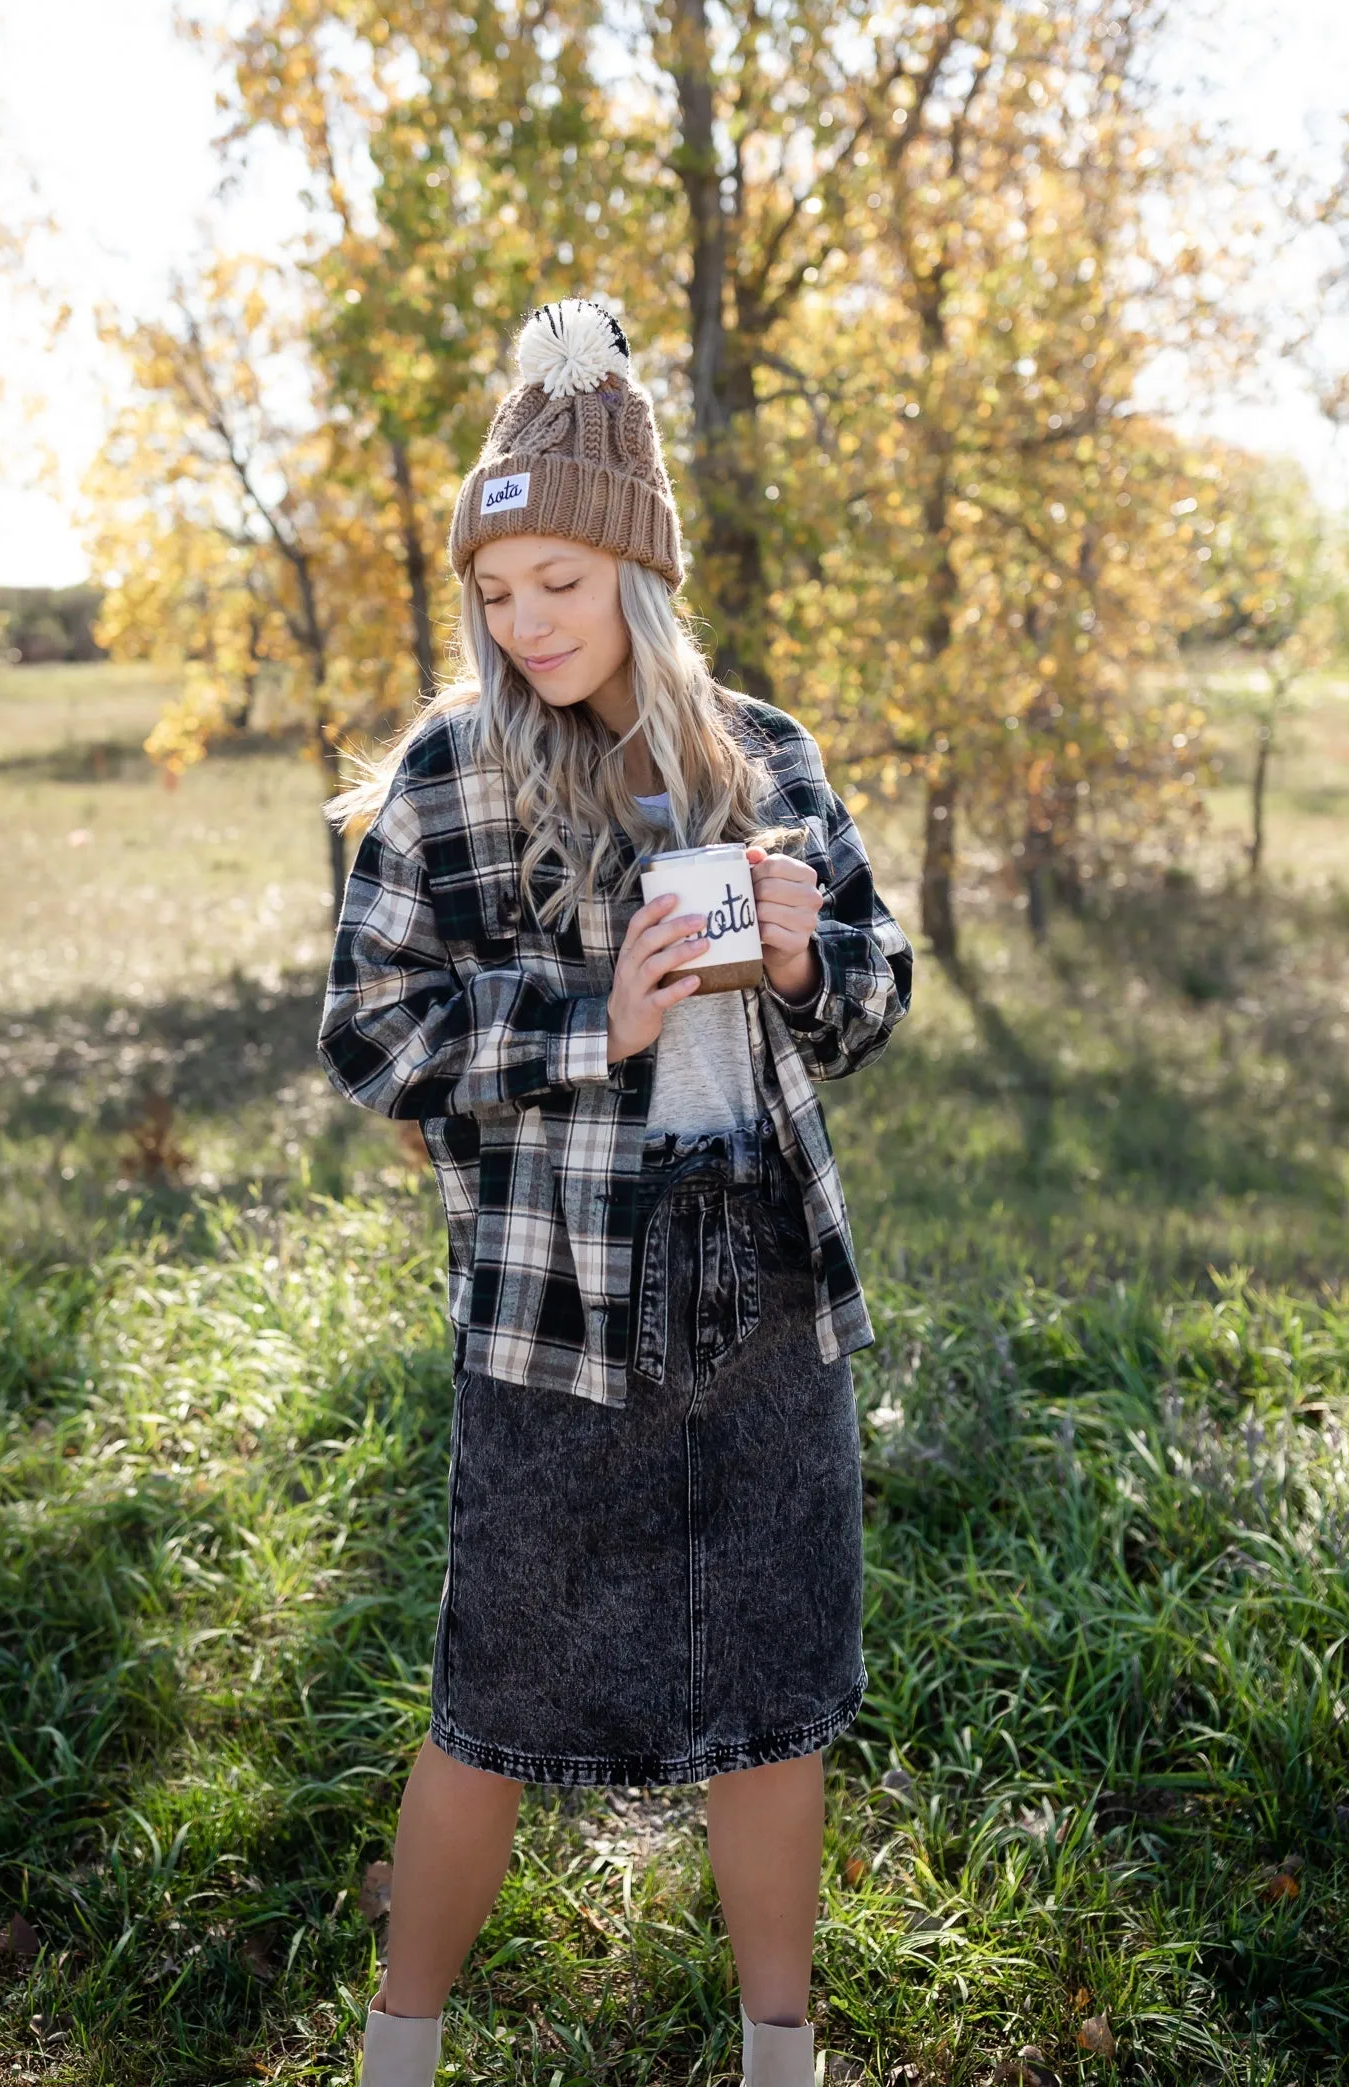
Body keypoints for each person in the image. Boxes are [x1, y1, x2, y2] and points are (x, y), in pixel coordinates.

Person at [318, 298, 913, 2087]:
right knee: (491, 1696)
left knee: (775, 1692)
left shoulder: (765, 756)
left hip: (765, 1284)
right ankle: (396, 2051)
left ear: (638, 571)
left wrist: (809, 969)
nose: (525, 624)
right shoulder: (454, 770)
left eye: (558, 581)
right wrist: (598, 1019)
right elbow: (371, 1033)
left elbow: (877, 990)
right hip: (553, 1307)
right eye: (496, 591)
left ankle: (778, 2054)